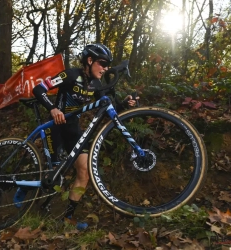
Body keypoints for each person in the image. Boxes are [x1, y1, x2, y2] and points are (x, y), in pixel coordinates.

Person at [14, 43, 138, 230]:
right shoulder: (71, 75)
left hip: (73, 130)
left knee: (84, 172)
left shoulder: (96, 85)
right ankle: (24, 186)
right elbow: (39, 89)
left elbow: (107, 111)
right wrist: (53, 109)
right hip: (55, 126)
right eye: (102, 63)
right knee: (54, 176)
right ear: (90, 60)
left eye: (107, 65)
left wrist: (123, 105)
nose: (105, 68)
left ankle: (67, 219)